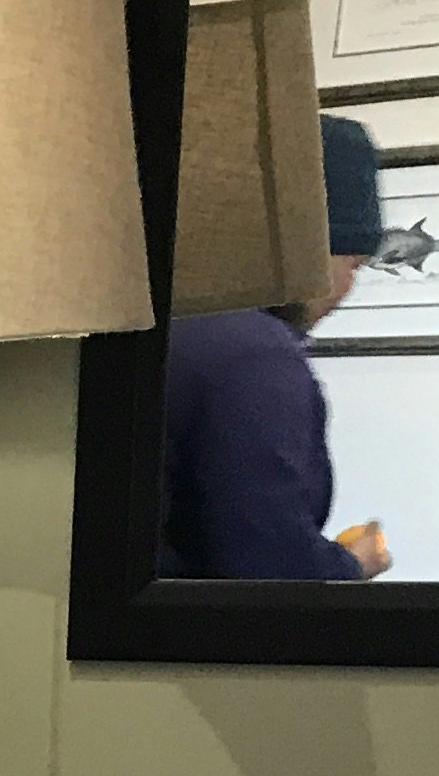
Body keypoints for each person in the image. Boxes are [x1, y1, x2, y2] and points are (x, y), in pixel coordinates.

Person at [159, 114, 392, 581]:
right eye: (354, 265)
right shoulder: (255, 355)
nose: (348, 288)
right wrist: (355, 563)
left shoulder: (170, 323)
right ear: (310, 251)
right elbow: (270, 562)